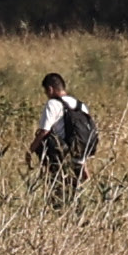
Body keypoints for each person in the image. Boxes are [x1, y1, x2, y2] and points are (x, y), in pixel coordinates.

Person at [26, 70, 94, 201]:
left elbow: (44, 131)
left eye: (46, 92)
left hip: (59, 157)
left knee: (57, 194)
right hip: (78, 156)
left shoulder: (53, 104)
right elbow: (83, 135)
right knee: (74, 195)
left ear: (50, 89)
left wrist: (30, 151)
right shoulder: (81, 106)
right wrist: (83, 163)